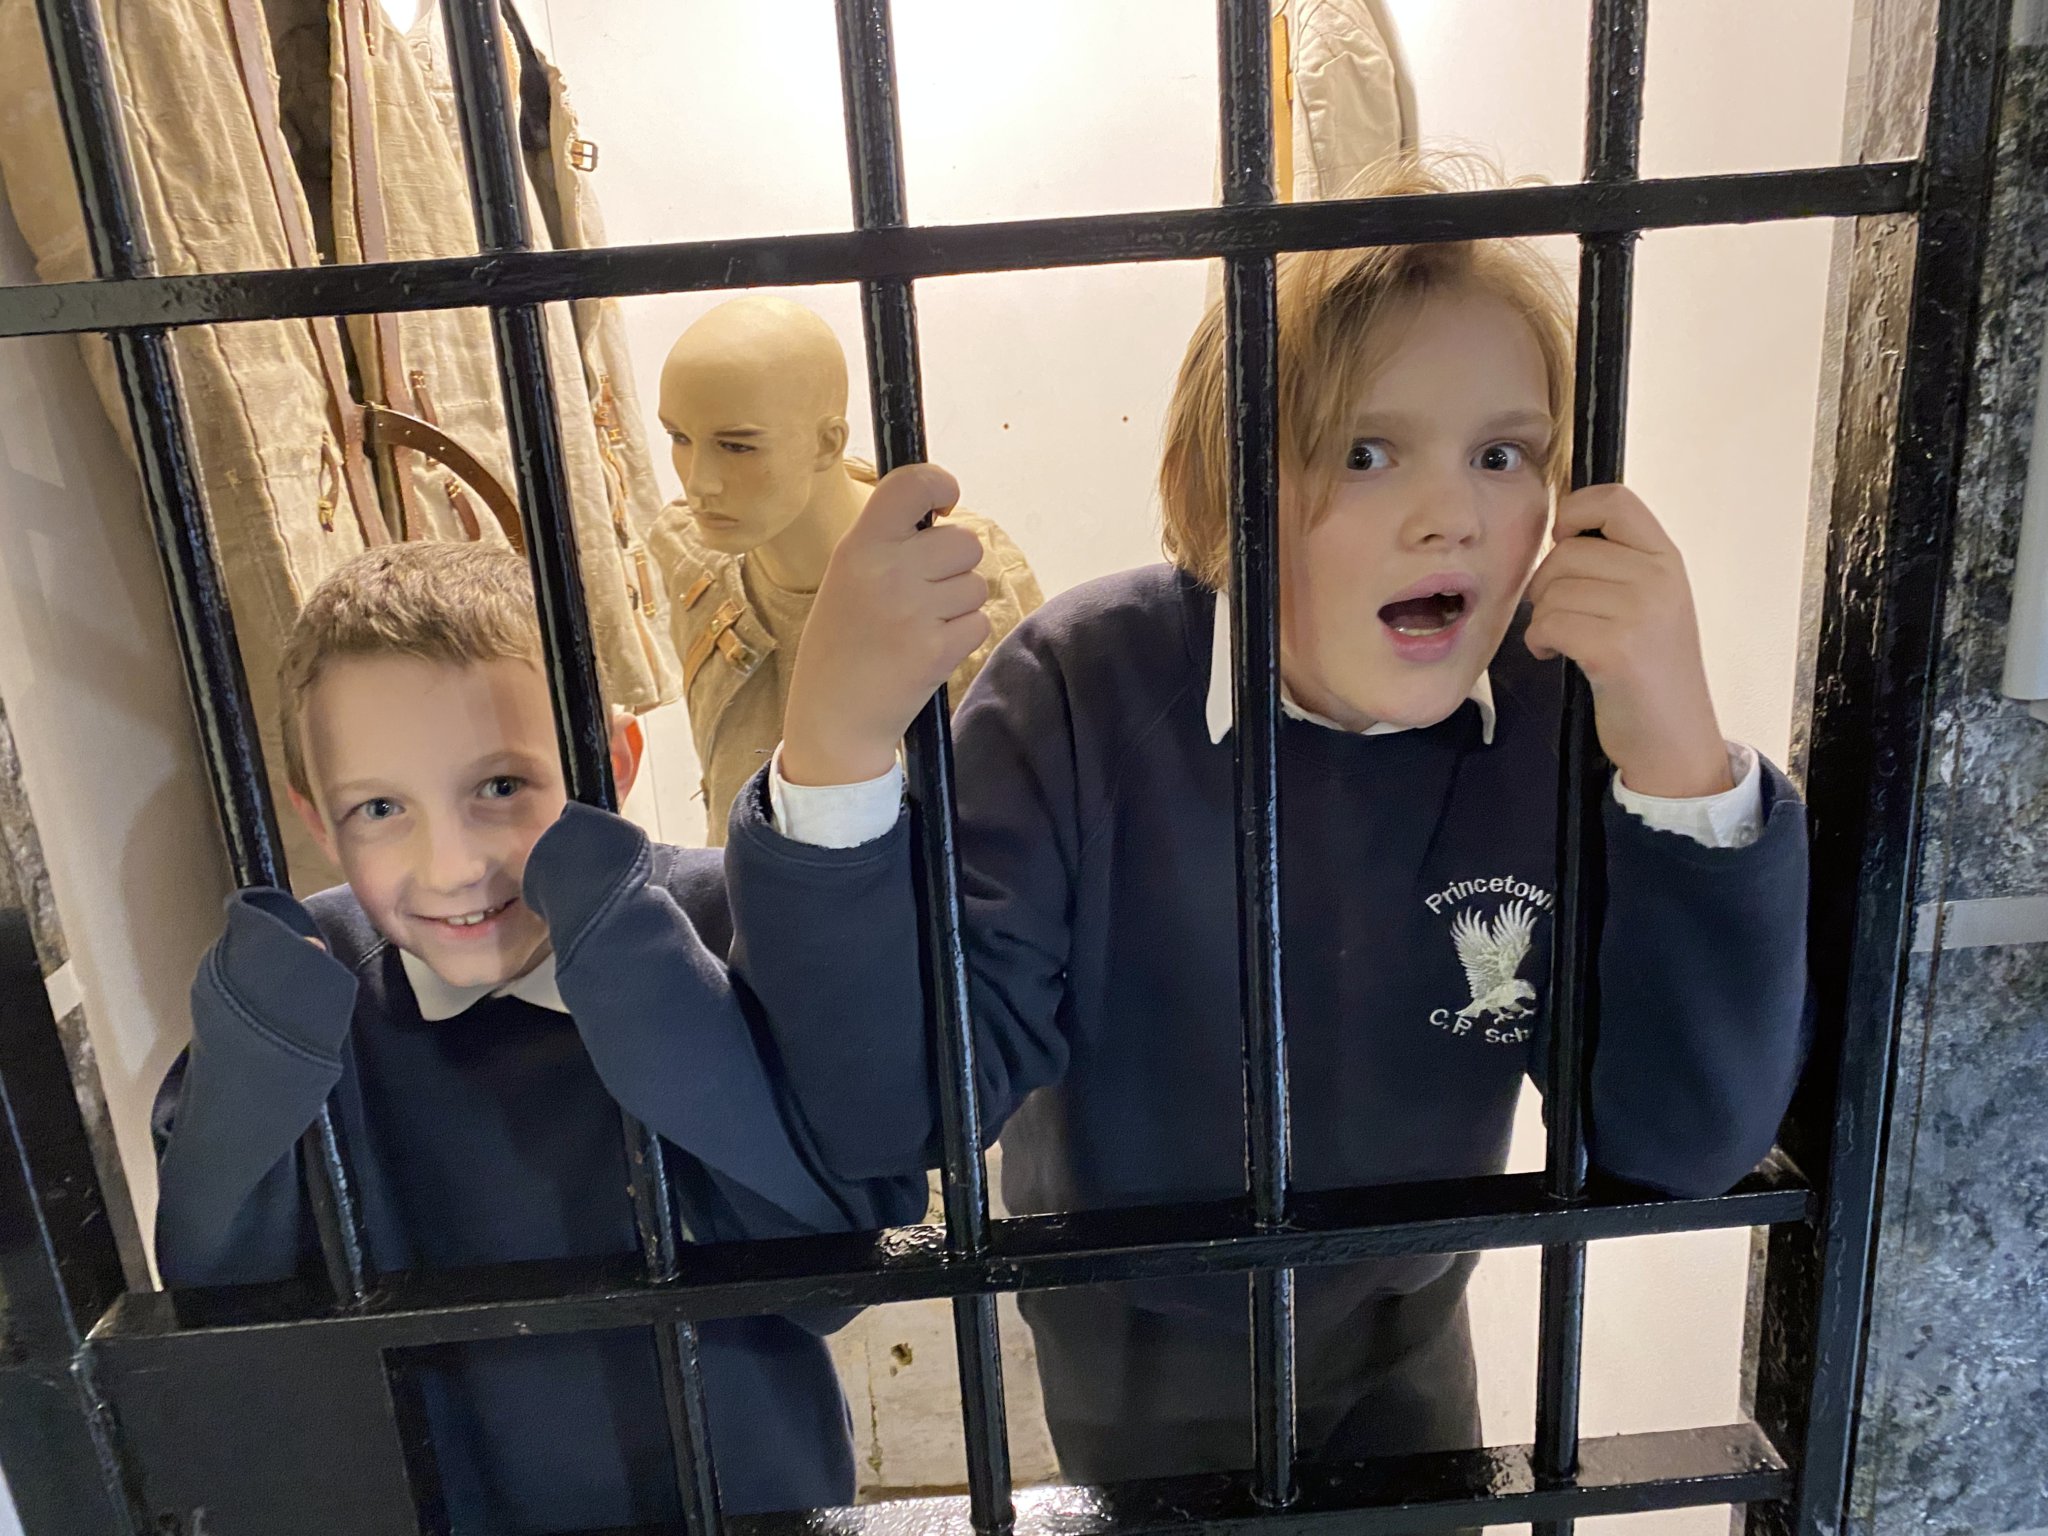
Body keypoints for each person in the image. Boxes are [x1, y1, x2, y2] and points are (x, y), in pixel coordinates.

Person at [721, 155, 1811, 1481]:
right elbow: (896, 1113)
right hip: (1135, 1326)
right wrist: (834, 751)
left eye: (1502, 454)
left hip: (1411, 1305)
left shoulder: (1550, 702)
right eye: (1364, 452)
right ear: (1220, 484)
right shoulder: (1077, 688)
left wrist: (1681, 760)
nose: (1452, 516)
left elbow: (1679, 1147)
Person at [151, 541, 924, 1528]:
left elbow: (829, 1273)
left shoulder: (724, 919)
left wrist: (632, 964)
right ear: (317, 820)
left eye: (502, 787)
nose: (451, 866)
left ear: (613, 763)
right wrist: (259, 1054)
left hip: (743, 1503)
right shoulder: (306, 982)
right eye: (379, 808)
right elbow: (223, 1308)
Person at [645, 295, 1042, 843]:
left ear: (827, 441)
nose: (699, 483)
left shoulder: (959, 580)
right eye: (679, 437)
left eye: (737, 446)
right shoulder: (688, 551)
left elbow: (1004, 827)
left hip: (889, 891)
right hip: (737, 884)